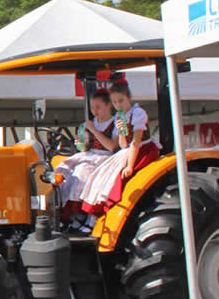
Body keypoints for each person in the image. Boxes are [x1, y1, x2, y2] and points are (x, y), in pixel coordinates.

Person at [79, 82, 162, 227]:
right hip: (128, 150)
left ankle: (105, 217)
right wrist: (122, 130)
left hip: (143, 150)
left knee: (117, 178)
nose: (118, 105)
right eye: (115, 102)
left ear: (128, 98)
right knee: (102, 174)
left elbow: (136, 142)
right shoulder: (119, 116)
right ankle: (92, 216)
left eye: (121, 101)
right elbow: (123, 144)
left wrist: (129, 166)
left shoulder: (138, 113)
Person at [54, 90, 119, 226]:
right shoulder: (89, 124)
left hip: (105, 157)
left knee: (82, 172)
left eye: (98, 107)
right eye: (92, 108)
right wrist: (81, 142)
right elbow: (83, 148)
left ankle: (81, 213)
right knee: (65, 171)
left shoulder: (115, 123)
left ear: (108, 106)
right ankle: (64, 210)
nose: (95, 111)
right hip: (90, 155)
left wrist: (94, 130)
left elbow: (112, 147)